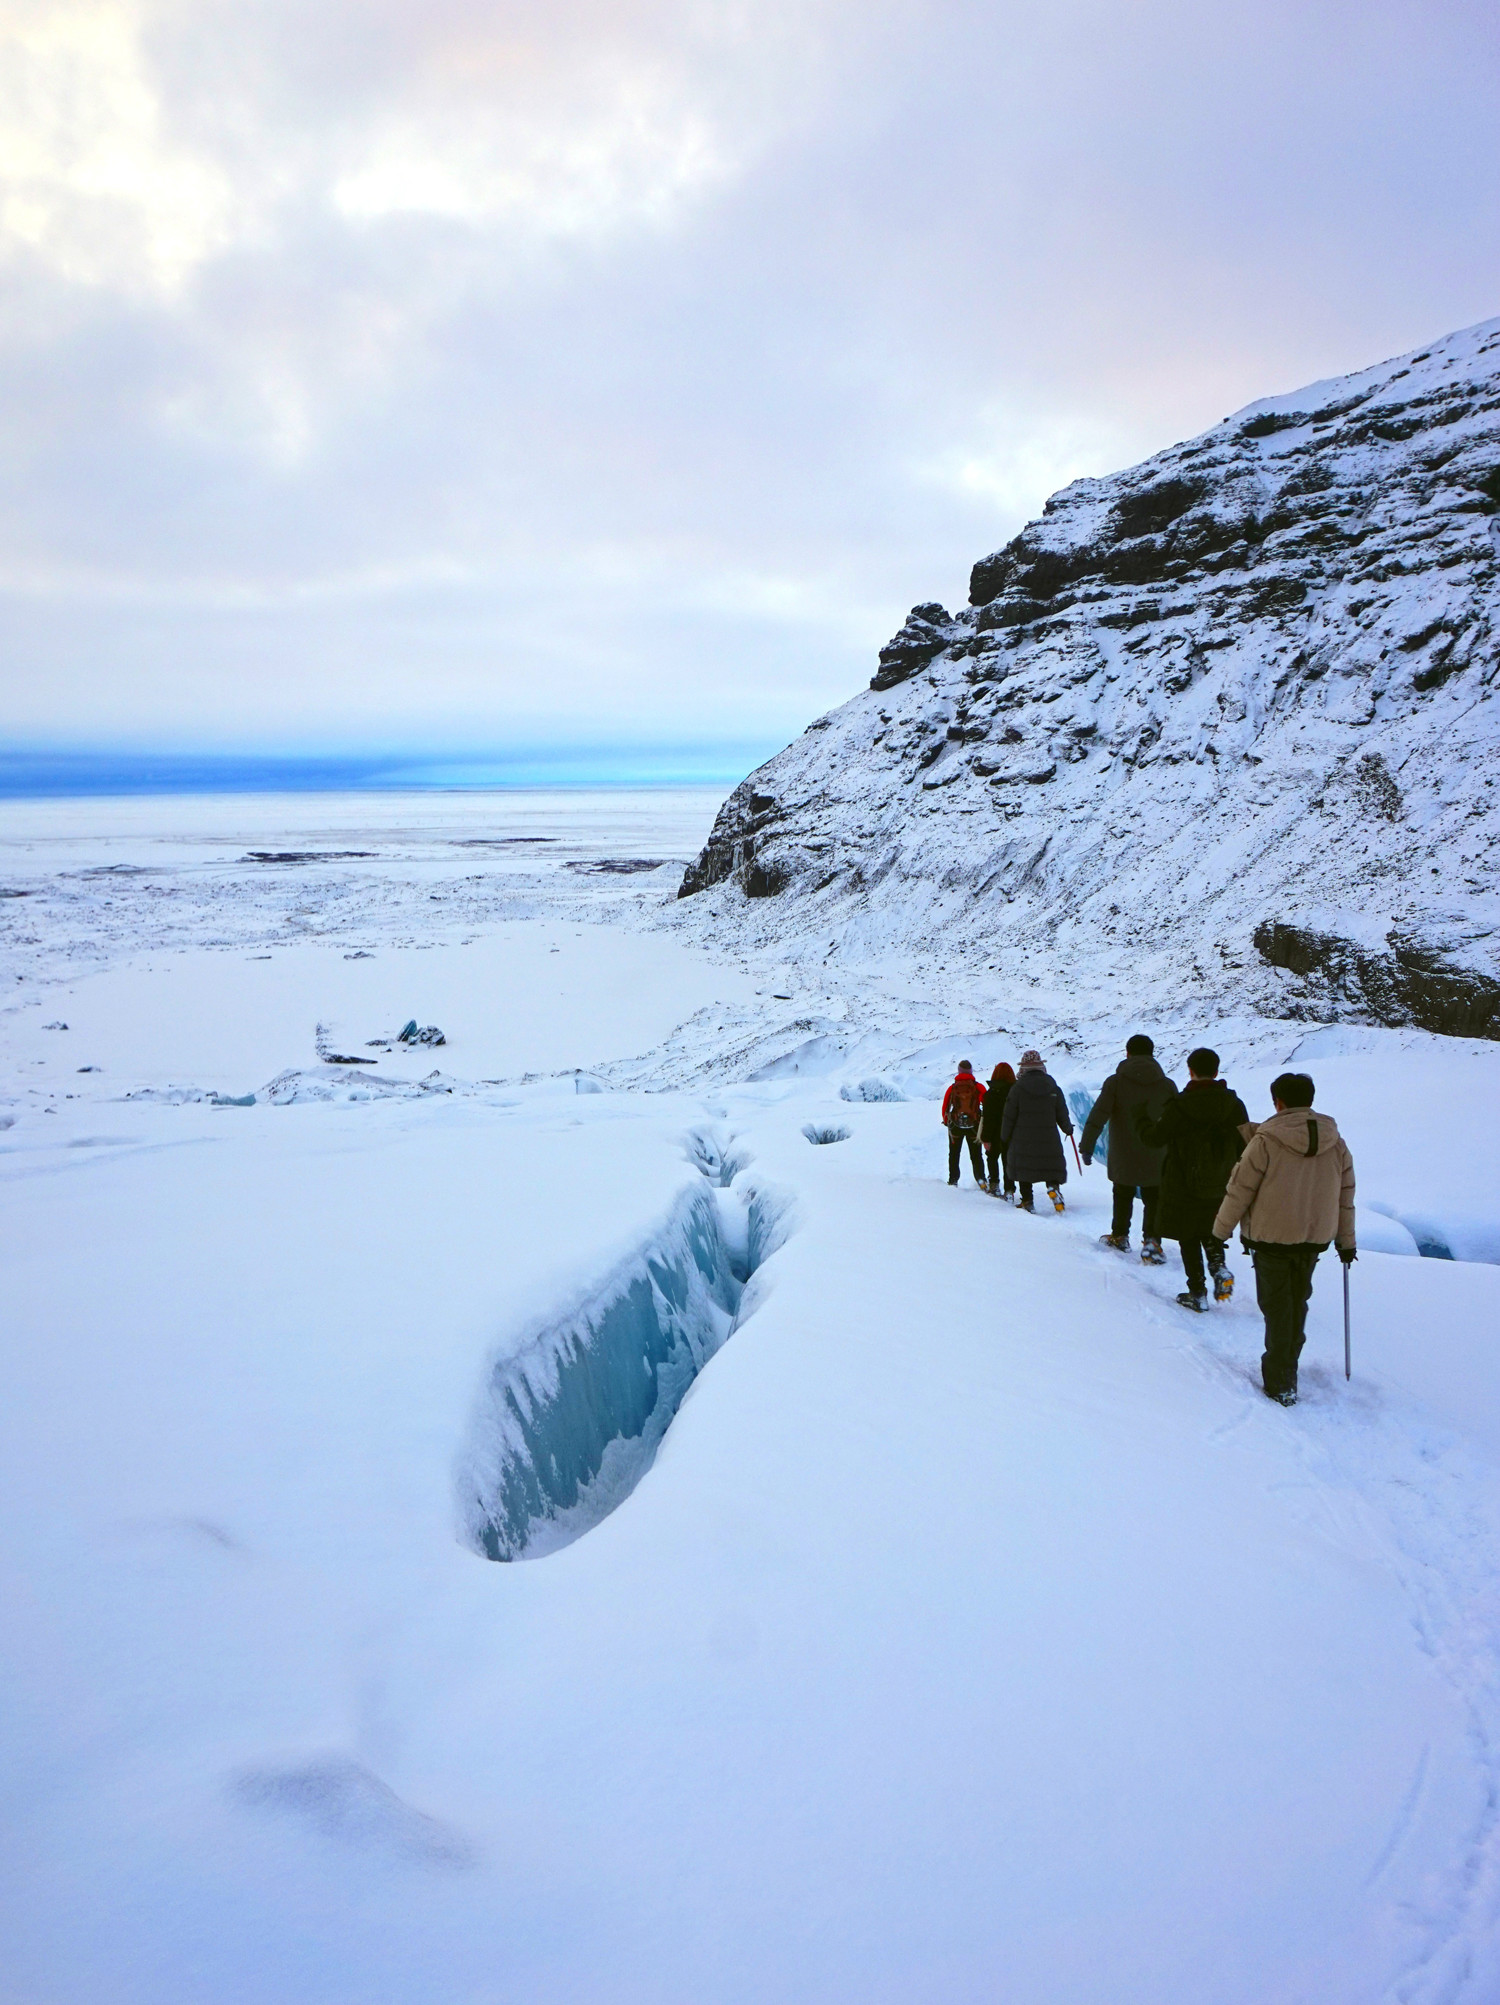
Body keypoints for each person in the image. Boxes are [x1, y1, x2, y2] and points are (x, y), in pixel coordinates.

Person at [1213, 1071, 1356, 1407]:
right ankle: (1288, 1363)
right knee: (1296, 1301)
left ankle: (1280, 1381)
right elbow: (1345, 1195)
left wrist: (1220, 1232)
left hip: (1271, 1240)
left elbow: (1240, 1190)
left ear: (1278, 1102)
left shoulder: (1265, 1141)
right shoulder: (1336, 1142)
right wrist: (1346, 1242)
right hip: (1312, 1239)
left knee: (1277, 1308)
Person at [1132, 1047, 1251, 1311]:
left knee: (1188, 1235)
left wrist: (1140, 1118)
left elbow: (1155, 1138)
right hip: (1221, 1180)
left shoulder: (1180, 1105)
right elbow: (1246, 1143)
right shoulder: (1233, 1104)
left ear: (1191, 1071)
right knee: (1212, 1227)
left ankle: (1197, 1292)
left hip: (1181, 1179)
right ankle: (1218, 1266)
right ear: (1217, 1071)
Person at [1080, 1033, 1176, 1263]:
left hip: (1124, 1153)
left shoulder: (1115, 1083)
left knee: (1122, 1193)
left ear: (1128, 1053)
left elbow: (1098, 1115)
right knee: (1154, 1197)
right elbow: (1177, 1121)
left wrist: (1087, 1145)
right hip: (1157, 1153)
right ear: (1152, 1054)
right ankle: (1152, 1242)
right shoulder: (1167, 1085)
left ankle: (1120, 1236)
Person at [1000, 1049, 1073, 1212]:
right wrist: (1068, 1129)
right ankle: (1053, 1188)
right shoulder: (1052, 1085)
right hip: (1049, 1137)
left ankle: (1027, 1200)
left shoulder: (1017, 1088)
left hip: (1023, 1138)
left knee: (1024, 1169)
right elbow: (1061, 1111)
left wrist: (1004, 1137)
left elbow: (1009, 1115)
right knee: (1050, 1166)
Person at [941, 1059, 987, 1187]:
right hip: (974, 1125)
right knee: (976, 1155)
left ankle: (953, 1180)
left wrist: (946, 1121)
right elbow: (987, 1103)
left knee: (954, 1154)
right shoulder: (978, 1087)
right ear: (971, 1072)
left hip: (955, 1125)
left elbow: (945, 1106)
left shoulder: (952, 1088)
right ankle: (981, 1180)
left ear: (959, 1071)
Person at [979, 1061, 1016, 1196]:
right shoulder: (1016, 1092)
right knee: (1008, 1162)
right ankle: (1010, 1189)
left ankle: (994, 1185)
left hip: (994, 1134)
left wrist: (985, 1138)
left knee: (992, 1158)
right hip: (1011, 1133)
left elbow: (988, 1119)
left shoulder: (990, 1095)